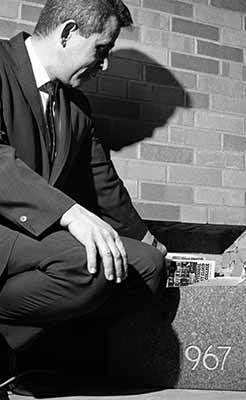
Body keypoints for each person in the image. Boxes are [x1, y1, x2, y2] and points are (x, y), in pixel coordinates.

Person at [0, 0, 166, 388]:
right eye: (102, 50)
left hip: (35, 236)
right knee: (89, 264)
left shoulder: (76, 105)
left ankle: (19, 349)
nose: (104, 65)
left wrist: (146, 238)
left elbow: (102, 181)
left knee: (145, 266)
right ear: (68, 32)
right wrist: (70, 213)